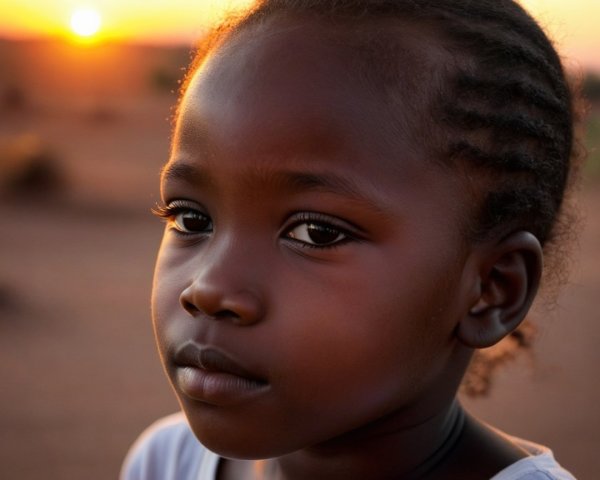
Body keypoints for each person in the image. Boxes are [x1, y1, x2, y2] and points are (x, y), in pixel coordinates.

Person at [121, 0, 581, 478]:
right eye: (192, 219)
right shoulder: (165, 462)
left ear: (491, 290)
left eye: (315, 233)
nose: (209, 290)